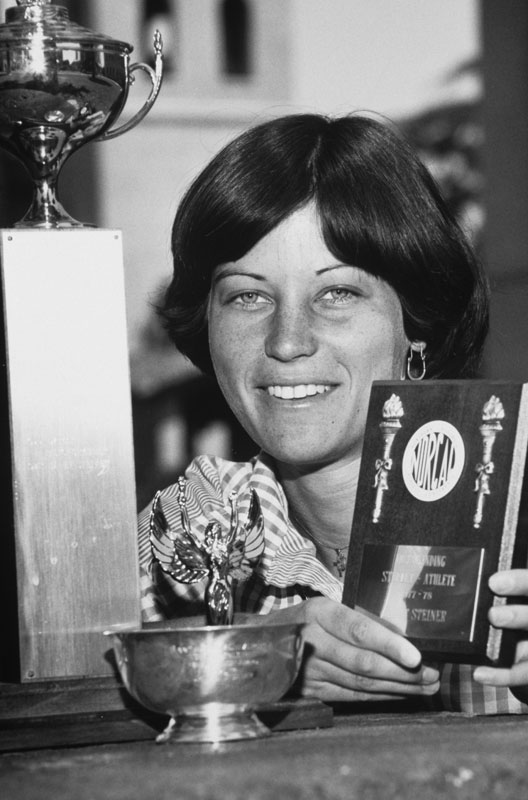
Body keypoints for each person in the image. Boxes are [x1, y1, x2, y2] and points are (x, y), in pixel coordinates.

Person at [138, 112, 528, 713]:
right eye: (248, 295)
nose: (288, 340)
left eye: (338, 293)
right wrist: (254, 657)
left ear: (415, 326)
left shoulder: (519, 516)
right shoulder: (190, 523)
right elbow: (59, 688)